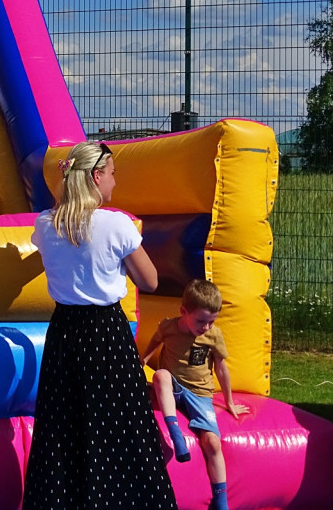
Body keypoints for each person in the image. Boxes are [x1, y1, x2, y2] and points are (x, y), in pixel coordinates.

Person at [23, 141, 176, 510]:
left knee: (64, 424)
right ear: (95, 176)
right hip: (105, 333)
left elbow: (51, 259)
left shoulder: (46, 224)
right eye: (111, 175)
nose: (113, 183)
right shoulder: (115, 224)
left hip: (64, 332)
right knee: (119, 423)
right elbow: (151, 281)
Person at [140, 279, 248, 510]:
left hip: (199, 393)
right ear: (183, 311)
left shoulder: (213, 335)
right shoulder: (168, 326)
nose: (205, 327)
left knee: (213, 443)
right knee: (161, 376)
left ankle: (221, 500)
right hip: (173, 387)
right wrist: (144, 360)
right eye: (201, 321)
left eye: (211, 321)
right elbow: (155, 341)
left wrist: (228, 401)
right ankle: (175, 432)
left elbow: (220, 368)